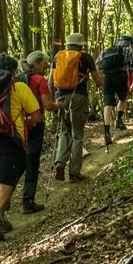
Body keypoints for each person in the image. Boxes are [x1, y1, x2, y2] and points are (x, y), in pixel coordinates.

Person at [0, 54, 41, 241]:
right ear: (13, 72)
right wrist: (25, 120)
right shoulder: (19, 87)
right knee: (7, 182)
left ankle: (2, 219)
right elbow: (37, 117)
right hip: (10, 139)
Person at [51, 33, 102, 182]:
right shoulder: (85, 57)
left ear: (68, 44)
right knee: (77, 135)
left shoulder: (58, 57)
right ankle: (74, 173)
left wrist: (53, 103)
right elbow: (97, 78)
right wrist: (102, 88)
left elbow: (50, 81)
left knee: (64, 132)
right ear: (81, 45)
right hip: (78, 97)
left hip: (60, 98)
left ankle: (60, 162)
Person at [19, 51, 60, 213]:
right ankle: (28, 201)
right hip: (35, 125)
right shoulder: (39, 80)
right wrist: (59, 105)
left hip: (19, 126)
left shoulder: (19, 79)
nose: (47, 66)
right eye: (44, 64)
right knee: (32, 162)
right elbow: (48, 105)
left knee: (18, 162)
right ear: (36, 64)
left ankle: (3, 201)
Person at [99, 35, 133, 143]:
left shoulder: (107, 50)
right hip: (121, 77)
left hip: (107, 78)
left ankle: (107, 132)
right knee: (123, 98)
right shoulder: (129, 50)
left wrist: (101, 81)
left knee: (107, 104)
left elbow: (97, 64)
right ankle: (118, 120)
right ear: (128, 43)